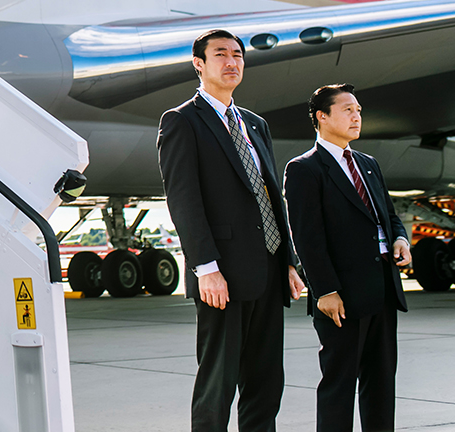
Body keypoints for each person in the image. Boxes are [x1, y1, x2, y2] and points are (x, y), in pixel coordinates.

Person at [157, 29, 305, 432]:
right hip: (221, 276)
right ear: (199, 64)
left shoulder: (255, 124)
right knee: (218, 383)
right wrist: (206, 268)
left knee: (265, 382)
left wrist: (288, 261)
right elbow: (184, 200)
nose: (232, 61)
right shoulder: (182, 121)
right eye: (220, 54)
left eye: (238, 54)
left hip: (268, 271)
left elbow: (271, 196)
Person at [284, 84, 412, 432]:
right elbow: (307, 238)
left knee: (382, 383)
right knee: (339, 385)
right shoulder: (305, 169)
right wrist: (324, 290)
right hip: (341, 296)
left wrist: (400, 239)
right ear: (321, 117)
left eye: (358, 111)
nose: (356, 117)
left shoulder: (368, 164)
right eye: (347, 110)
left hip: (383, 289)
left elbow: (388, 215)